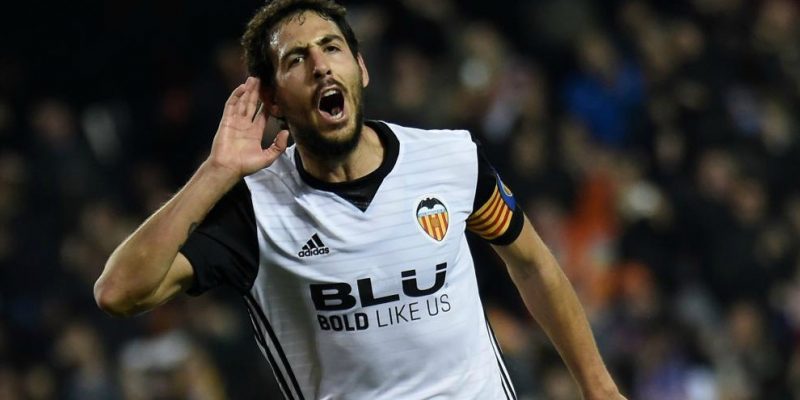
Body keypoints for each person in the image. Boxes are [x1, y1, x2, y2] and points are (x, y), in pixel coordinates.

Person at [94, 1, 626, 399]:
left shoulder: (449, 159)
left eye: (331, 48)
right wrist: (215, 173)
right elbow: (119, 291)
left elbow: (532, 264)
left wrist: (598, 387)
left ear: (360, 68)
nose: (321, 65)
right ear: (272, 99)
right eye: (296, 59)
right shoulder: (254, 211)